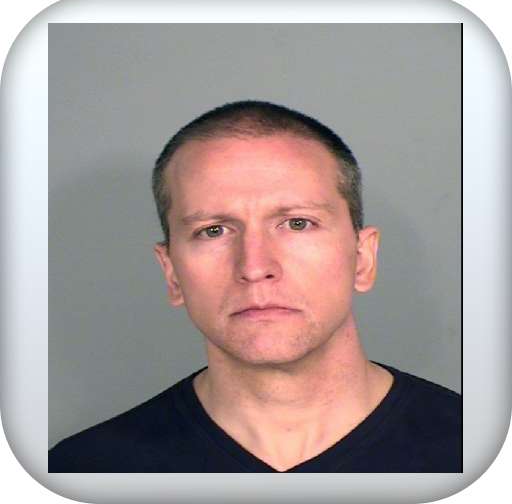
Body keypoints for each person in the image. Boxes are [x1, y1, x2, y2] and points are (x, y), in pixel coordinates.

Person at [48, 100, 461, 473]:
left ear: (363, 258)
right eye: (213, 230)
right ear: (172, 272)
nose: (255, 266)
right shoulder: (83, 473)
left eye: (297, 224)